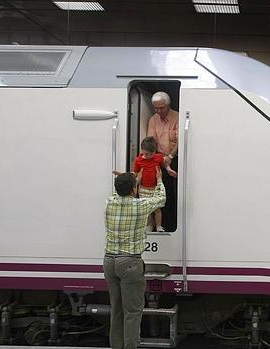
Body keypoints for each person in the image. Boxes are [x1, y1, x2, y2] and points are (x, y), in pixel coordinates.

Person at [103, 170, 166, 349]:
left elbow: (120, 192)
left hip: (109, 262)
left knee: (116, 310)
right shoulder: (140, 206)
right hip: (129, 262)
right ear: (134, 190)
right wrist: (159, 179)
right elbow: (161, 198)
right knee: (132, 312)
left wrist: (126, 179)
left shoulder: (109, 203)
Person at [115, 137, 176, 232]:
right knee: (147, 210)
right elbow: (135, 174)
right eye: (146, 154)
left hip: (155, 188)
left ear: (155, 151)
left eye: (152, 154)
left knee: (157, 209)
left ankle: (159, 226)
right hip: (143, 188)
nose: (149, 156)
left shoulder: (158, 157)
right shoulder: (138, 160)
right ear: (142, 150)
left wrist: (168, 169)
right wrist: (124, 174)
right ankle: (149, 225)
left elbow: (165, 163)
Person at [147, 91, 179, 232]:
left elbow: (180, 141)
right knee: (163, 194)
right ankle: (164, 225)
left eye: (162, 108)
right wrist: (159, 159)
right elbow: (151, 142)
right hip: (160, 159)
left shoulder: (177, 116)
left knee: (178, 193)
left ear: (168, 105)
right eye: (156, 108)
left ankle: (175, 223)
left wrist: (170, 157)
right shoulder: (153, 119)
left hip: (175, 157)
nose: (159, 111)